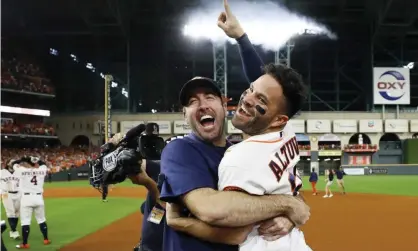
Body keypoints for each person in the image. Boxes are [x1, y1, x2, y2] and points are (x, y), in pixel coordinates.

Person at [12, 157, 51, 249]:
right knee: (41, 219)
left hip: (26, 198)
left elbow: (14, 164)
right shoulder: (41, 170)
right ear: (36, 164)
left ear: (28, 163)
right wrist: (37, 159)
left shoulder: (22, 170)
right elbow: (43, 164)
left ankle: (25, 243)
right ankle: (46, 239)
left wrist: (23, 159)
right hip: (38, 198)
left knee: (25, 222)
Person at [1, 160, 21, 240]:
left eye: (14, 162)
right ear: (8, 163)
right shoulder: (2, 172)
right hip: (6, 194)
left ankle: (13, 231)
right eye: (11, 162)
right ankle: (14, 231)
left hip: (19, 194)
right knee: (10, 213)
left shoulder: (19, 172)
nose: (13, 164)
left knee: (16, 213)